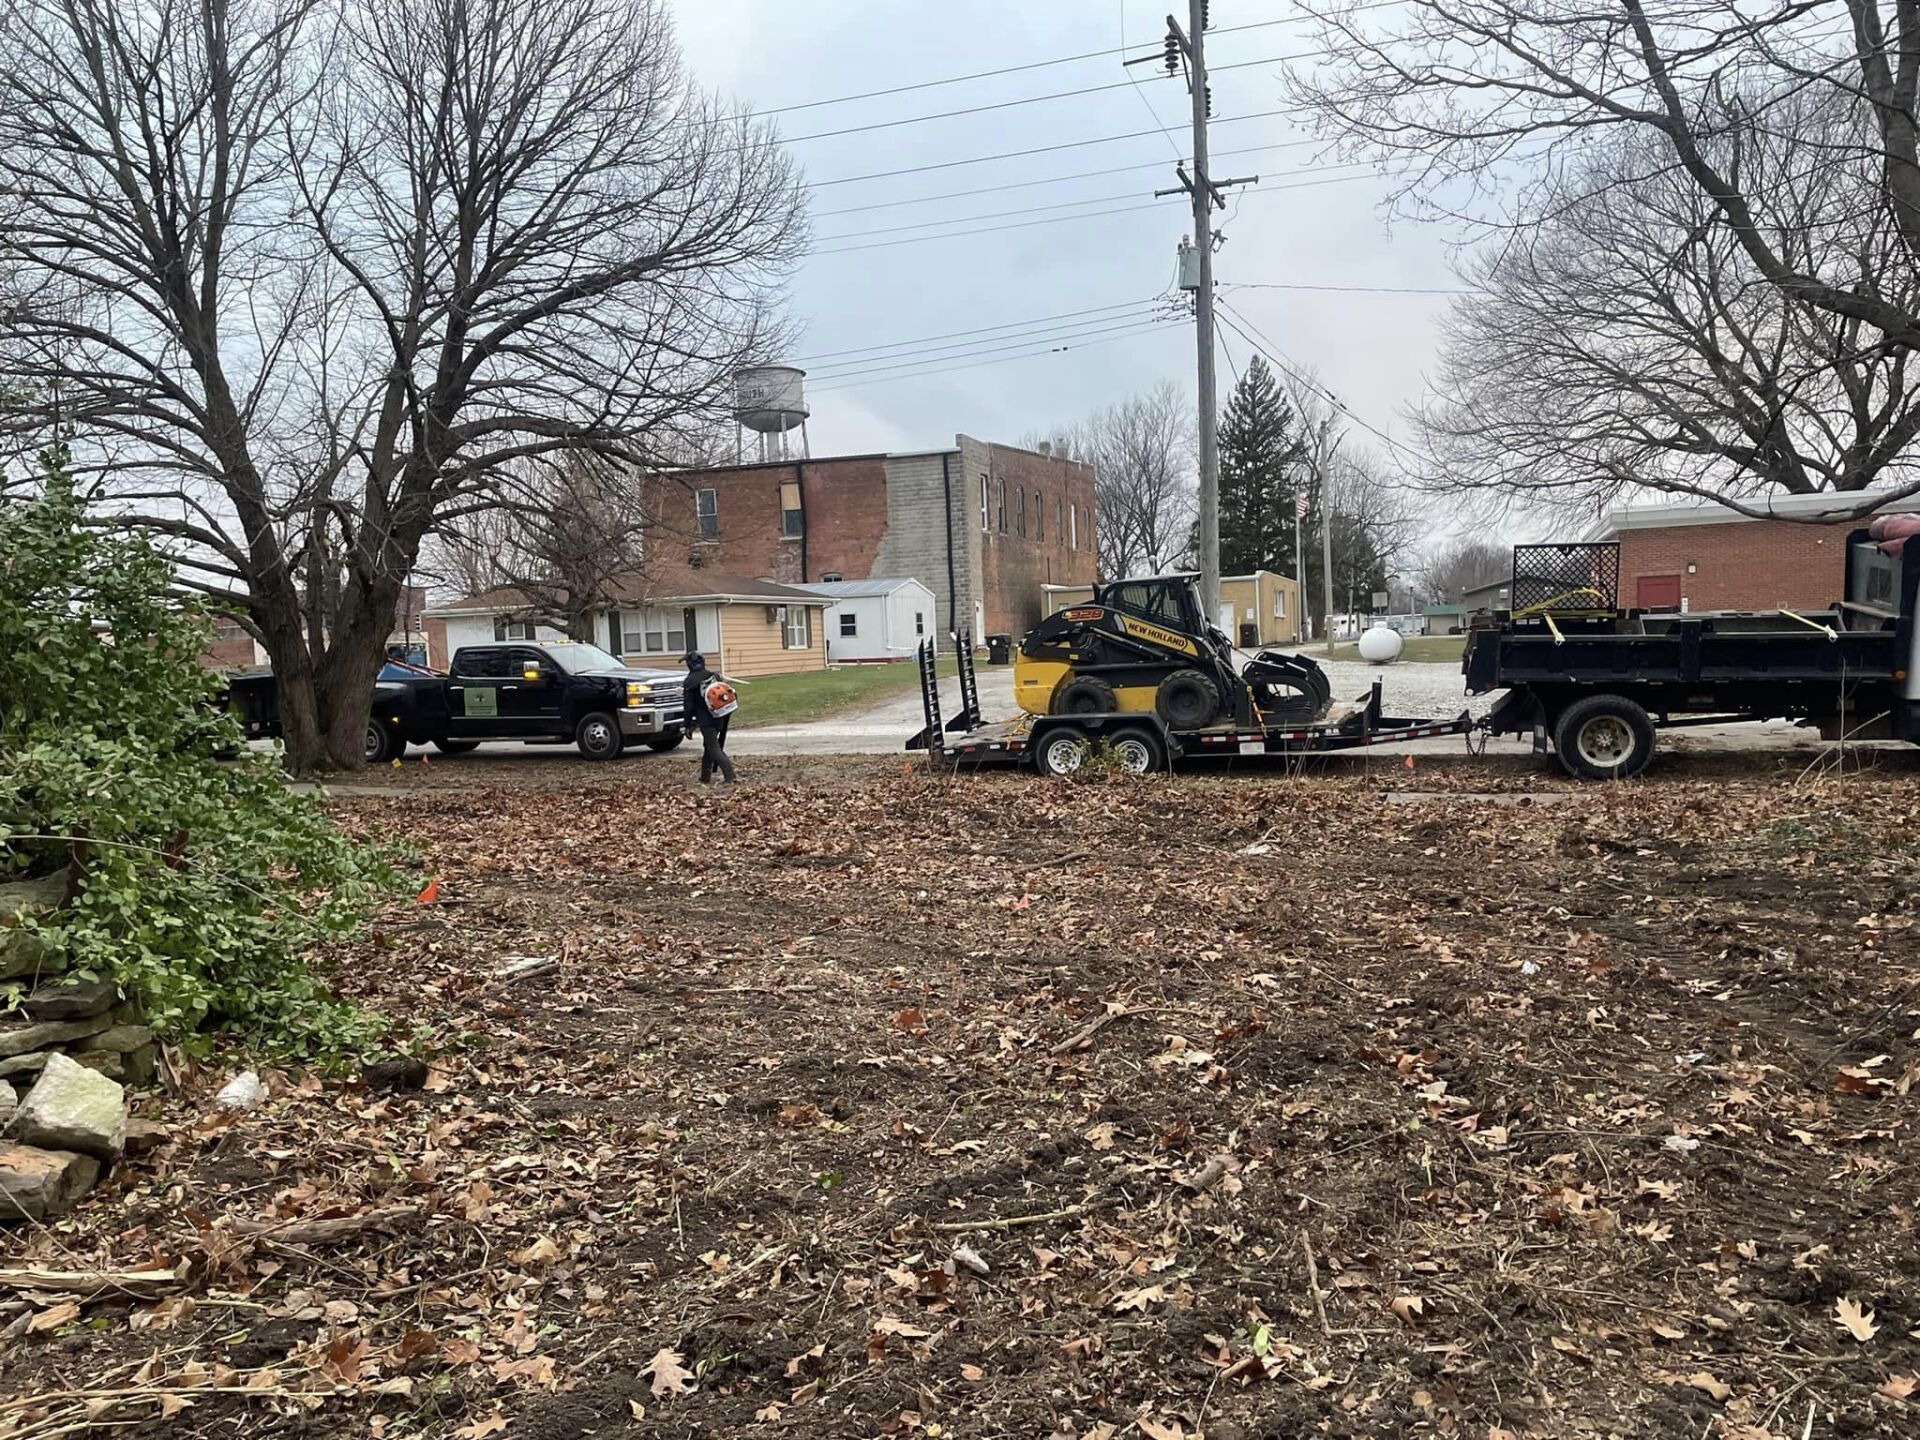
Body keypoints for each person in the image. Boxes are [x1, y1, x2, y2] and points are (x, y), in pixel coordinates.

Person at [681, 651, 736, 785]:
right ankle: (705, 776)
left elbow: (688, 707)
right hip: (719, 717)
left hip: (706, 721)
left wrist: (687, 725)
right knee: (708, 745)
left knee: (713, 747)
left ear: (689, 665)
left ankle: (730, 776)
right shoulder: (714, 676)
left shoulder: (689, 682)